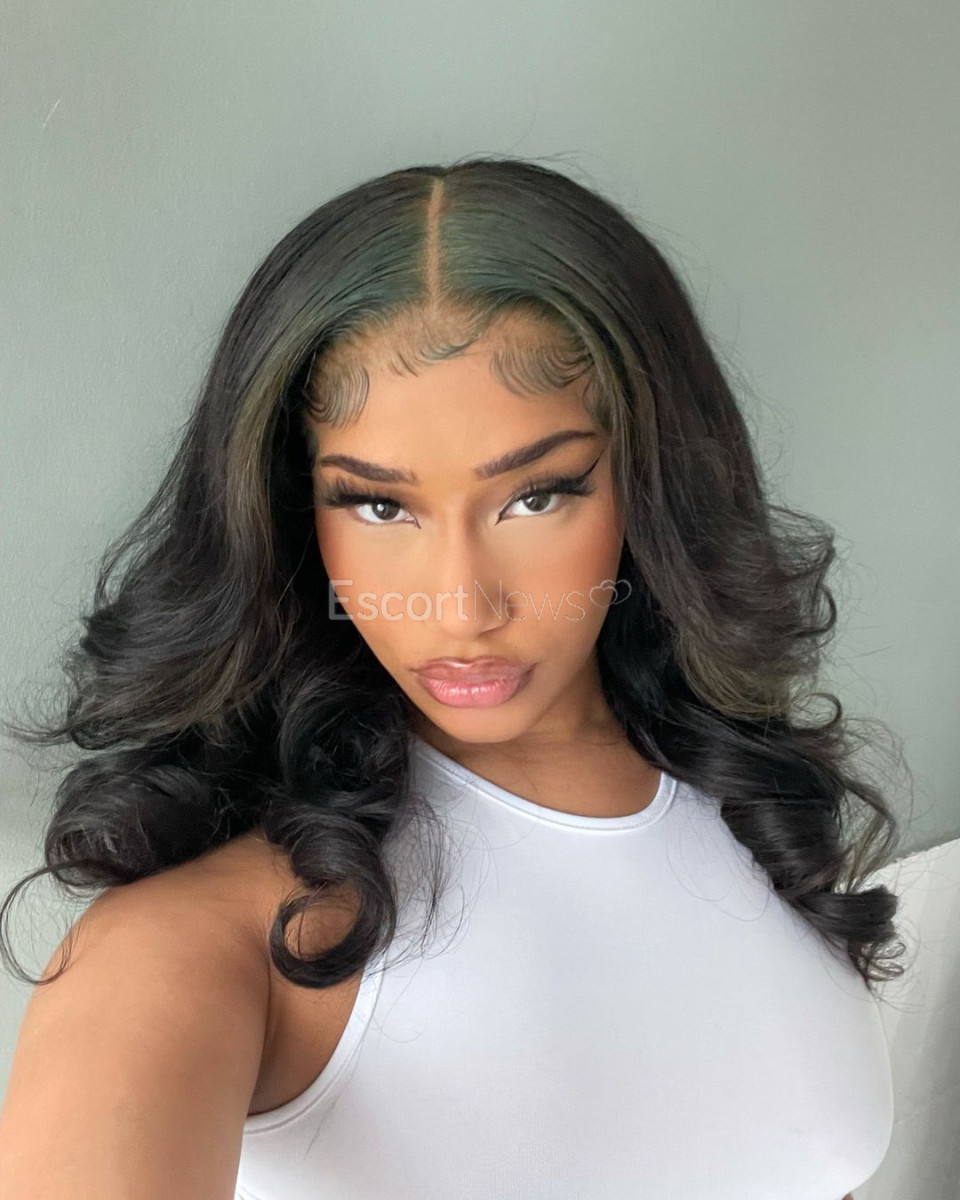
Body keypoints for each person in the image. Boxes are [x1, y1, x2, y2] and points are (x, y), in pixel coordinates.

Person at [0, 156, 904, 1199]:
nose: (462, 607)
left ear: (651, 481)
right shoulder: (195, 949)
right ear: (292, 513)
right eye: (379, 505)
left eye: (537, 496)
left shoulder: (758, 815)